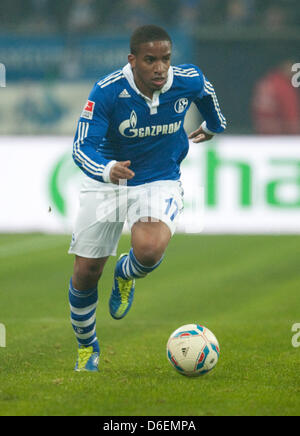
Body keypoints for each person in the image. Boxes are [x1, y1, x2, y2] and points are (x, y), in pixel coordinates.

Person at [68, 25, 227, 372]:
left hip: (159, 180)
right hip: (109, 180)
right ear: (133, 60)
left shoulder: (186, 80)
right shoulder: (108, 91)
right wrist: (107, 169)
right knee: (86, 273)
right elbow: (82, 146)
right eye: (151, 60)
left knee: (150, 249)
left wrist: (215, 124)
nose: (160, 68)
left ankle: (125, 273)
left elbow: (206, 90)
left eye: (166, 59)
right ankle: (87, 346)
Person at [252, 59, 300, 135]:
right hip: (281, 135)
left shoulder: (267, 81)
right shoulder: (283, 86)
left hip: (262, 131)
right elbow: (292, 119)